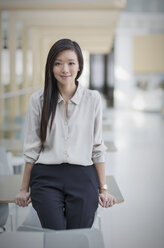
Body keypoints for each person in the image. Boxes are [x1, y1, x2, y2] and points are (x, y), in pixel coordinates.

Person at [15, 38, 116, 230]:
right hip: (45, 177)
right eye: (58, 63)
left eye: (71, 63)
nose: (65, 69)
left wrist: (103, 189)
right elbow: (31, 149)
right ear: (51, 67)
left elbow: (97, 147)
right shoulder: (38, 100)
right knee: (56, 236)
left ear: (79, 66)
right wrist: (23, 189)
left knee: (77, 235)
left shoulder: (92, 99)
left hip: (83, 176)